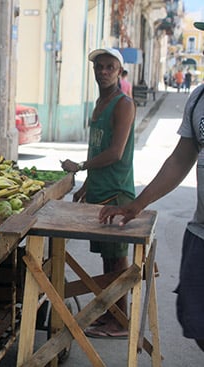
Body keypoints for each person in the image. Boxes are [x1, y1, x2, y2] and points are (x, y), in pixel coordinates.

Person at [99, 21, 204, 352]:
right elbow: (179, 160)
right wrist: (136, 204)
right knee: (197, 327)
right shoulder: (199, 97)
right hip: (201, 235)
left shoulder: (123, 102)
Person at [61, 47, 136, 339]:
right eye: (99, 67)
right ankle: (110, 315)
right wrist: (88, 183)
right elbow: (98, 147)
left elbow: (115, 153)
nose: (103, 72)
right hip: (99, 192)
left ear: (119, 72)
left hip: (117, 194)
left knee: (117, 260)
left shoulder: (123, 104)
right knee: (107, 260)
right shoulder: (100, 102)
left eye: (109, 67)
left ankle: (121, 322)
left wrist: (79, 166)